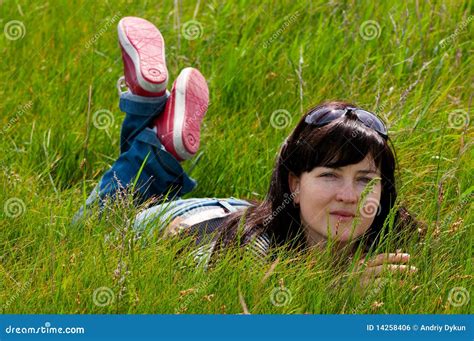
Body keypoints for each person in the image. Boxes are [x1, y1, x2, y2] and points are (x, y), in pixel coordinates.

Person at [74, 16, 424, 287]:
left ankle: (148, 110)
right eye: (330, 175)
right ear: (295, 184)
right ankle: (155, 136)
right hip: (180, 224)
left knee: (135, 187)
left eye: (365, 179)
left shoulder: (393, 239)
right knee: (86, 232)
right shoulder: (254, 250)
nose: (350, 196)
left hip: (237, 212)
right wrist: (341, 291)